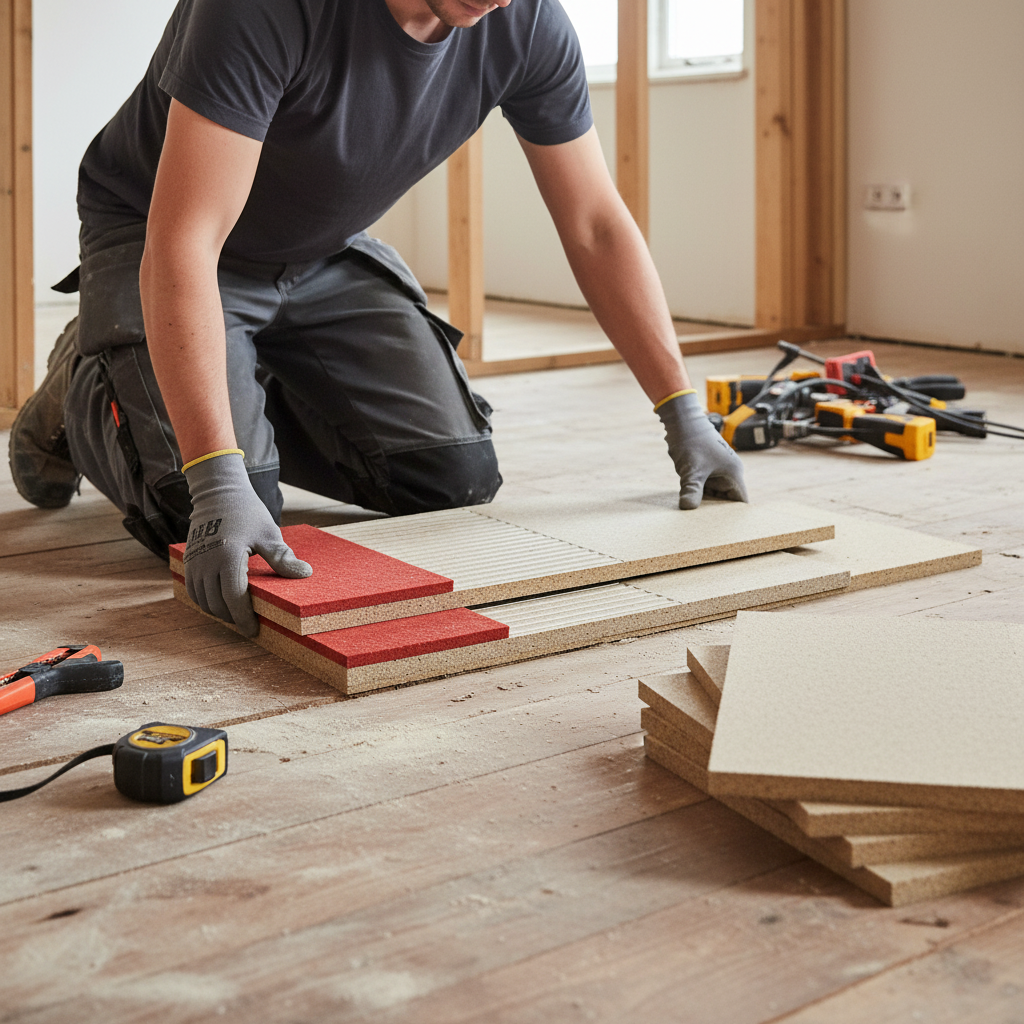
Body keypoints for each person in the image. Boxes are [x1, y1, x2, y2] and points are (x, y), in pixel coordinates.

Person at [9, 0, 747, 637]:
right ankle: (89, 373)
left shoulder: (529, 24)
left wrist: (681, 409)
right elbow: (187, 241)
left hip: (321, 251)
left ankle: (221, 374)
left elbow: (594, 225)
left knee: (452, 481)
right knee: (198, 510)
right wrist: (217, 478)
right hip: (165, 238)